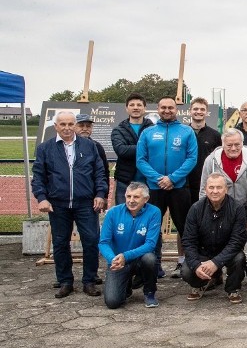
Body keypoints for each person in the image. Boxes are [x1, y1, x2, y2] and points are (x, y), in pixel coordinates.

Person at [32, 111, 108, 298]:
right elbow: (39, 177)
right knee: (60, 242)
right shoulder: (45, 148)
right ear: (56, 126)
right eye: (62, 124)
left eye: (70, 124)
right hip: (58, 204)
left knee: (91, 241)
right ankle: (65, 281)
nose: (67, 128)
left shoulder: (90, 146)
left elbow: (99, 173)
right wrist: (41, 197)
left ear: (75, 125)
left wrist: (100, 194)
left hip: (86, 203)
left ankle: (89, 280)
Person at [136, 96, 198, 278]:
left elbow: (191, 158)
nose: (167, 110)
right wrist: (158, 179)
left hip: (179, 187)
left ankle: (189, 266)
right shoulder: (147, 132)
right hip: (154, 189)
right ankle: (152, 266)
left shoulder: (187, 131)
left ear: (176, 109)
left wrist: (172, 178)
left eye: (170, 107)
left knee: (185, 228)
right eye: (163, 107)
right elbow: (141, 160)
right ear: (158, 109)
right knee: (151, 228)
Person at [199, 129, 247, 290]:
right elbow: (203, 189)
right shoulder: (211, 161)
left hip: (246, 204)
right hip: (220, 206)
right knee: (215, 239)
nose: (234, 148)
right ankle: (215, 275)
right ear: (222, 144)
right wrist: (204, 214)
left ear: (242, 143)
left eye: (237, 144)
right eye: (229, 145)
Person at [181, 173, 247, 303]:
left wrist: (216, 262)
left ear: (226, 189)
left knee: (239, 258)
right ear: (205, 189)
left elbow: (237, 241)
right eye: (211, 187)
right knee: (187, 271)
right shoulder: (195, 209)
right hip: (203, 252)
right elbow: (188, 241)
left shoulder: (237, 208)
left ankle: (233, 289)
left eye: (219, 187)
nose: (215, 191)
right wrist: (195, 265)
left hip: (228, 252)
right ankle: (200, 284)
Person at [98, 182, 161, 308]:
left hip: (140, 259)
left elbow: (150, 244)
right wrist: (113, 259)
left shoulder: (154, 212)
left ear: (146, 199)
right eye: (128, 196)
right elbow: (103, 242)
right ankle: (126, 287)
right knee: (112, 302)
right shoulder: (113, 213)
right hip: (118, 261)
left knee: (150, 259)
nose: (131, 201)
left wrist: (125, 256)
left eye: (136, 197)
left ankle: (149, 292)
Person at [111, 93, 154, 204]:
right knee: (124, 216)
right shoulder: (118, 130)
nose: (135, 107)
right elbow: (121, 150)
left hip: (149, 180)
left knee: (147, 217)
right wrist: (146, 147)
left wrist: (132, 148)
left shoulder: (153, 129)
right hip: (125, 182)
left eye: (139, 105)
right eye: (132, 105)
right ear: (127, 108)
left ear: (145, 108)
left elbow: (157, 150)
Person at [186, 97, 222, 203]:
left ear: (207, 112)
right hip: (185, 184)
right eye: (196, 109)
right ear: (190, 111)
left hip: (207, 183)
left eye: (202, 109)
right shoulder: (183, 133)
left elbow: (218, 161)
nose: (199, 112)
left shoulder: (215, 135)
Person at [74, 114, 109, 184]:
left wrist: (103, 192)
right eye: (81, 126)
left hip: (92, 190)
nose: (85, 129)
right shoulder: (67, 146)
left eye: (88, 126)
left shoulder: (97, 147)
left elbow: (104, 171)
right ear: (73, 127)